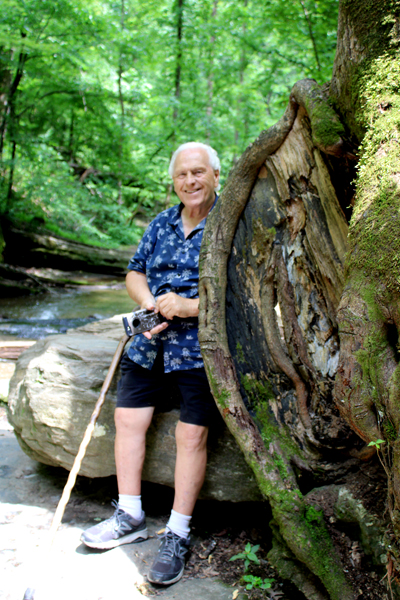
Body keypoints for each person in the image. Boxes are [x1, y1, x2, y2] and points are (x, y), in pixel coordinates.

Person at [81, 142, 221, 586]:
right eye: (182, 175)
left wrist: (188, 306)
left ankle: (178, 532)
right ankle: (130, 513)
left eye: (199, 172)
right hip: (148, 345)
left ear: (217, 174)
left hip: (200, 350)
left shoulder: (228, 224)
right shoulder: (162, 222)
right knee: (127, 420)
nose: (190, 182)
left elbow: (244, 290)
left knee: (191, 433)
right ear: (174, 181)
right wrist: (149, 305)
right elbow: (134, 271)